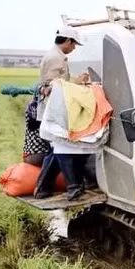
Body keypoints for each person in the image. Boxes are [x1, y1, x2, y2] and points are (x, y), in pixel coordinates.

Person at [34, 27, 95, 200]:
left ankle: (43, 188)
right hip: (54, 111)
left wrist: (76, 80)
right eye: (74, 44)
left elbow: (61, 82)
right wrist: (76, 85)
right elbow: (52, 86)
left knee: (56, 150)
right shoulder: (55, 58)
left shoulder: (58, 56)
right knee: (61, 148)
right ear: (68, 41)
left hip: (56, 109)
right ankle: (73, 187)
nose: (74, 48)